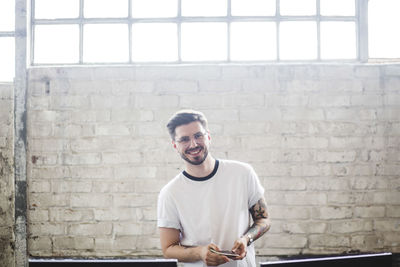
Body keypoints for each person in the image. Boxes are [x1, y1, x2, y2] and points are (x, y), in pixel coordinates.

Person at [157, 109, 271, 267]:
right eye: (184, 139)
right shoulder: (170, 193)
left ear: (208, 136)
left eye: (198, 135)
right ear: (175, 145)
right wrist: (200, 252)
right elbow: (168, 249)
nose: (194, 144)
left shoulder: (243, 173)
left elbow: (263, 219)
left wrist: (246, 239)